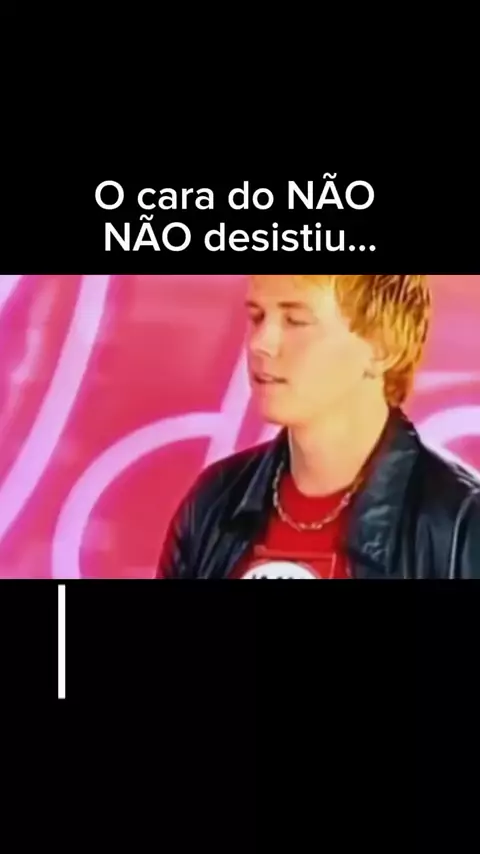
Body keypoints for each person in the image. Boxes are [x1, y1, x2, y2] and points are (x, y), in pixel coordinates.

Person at [157, 275, 480, 579]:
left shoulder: (461, 522)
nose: (260, 343)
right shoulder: (213, 501)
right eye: (257, 317)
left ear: (382, 349)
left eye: (295, 321)